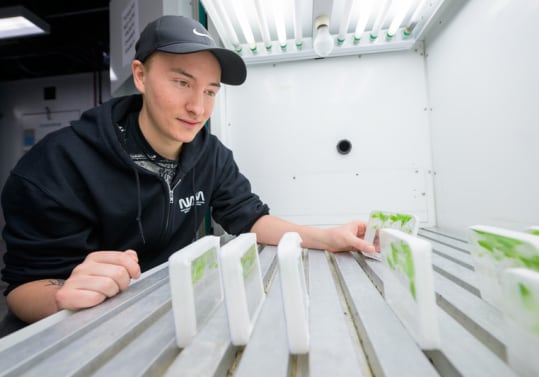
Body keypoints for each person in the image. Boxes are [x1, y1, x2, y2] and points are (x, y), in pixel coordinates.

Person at [0, 15, 376, 325]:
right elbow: (22, 290)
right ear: (141, 76)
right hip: (75, 329)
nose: (198, 107)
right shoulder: (56, 165)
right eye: (182, 82)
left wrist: (327, 238)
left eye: (210, 91)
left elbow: (251, 217)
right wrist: (62, 297)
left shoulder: (209, 155)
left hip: (163, 313)